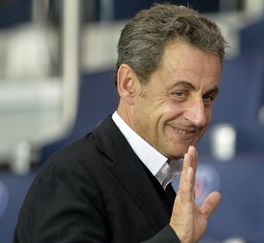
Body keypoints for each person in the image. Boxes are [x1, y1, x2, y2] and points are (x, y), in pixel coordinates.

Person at [14, 3, 226, 243]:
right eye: (180, 93)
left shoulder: (158, 183)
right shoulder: (69, 178)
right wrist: (175, 237)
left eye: (208, 97)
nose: (199, 116)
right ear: (128, 85)